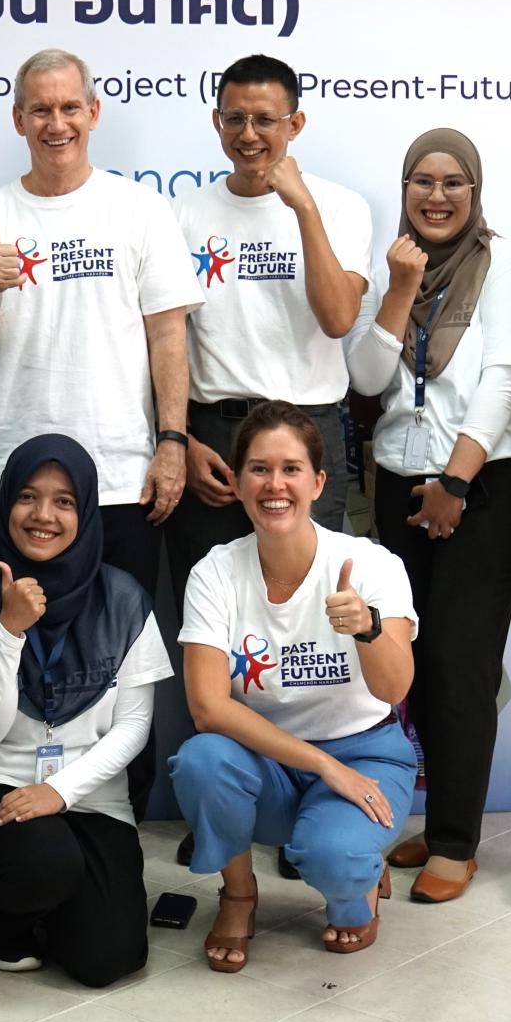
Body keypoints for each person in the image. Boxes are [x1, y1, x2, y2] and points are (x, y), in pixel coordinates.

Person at [346, 128, 511, 902]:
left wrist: (455, 486)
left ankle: (459, 841)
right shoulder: (394, 268)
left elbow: (505, 380)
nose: (436, 195)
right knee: (414, 665)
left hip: (483, 485)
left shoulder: (509, 265)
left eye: (453, 182)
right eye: (421, 181)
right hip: (400, 481)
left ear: (475, 191)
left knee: (461, 662)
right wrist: (396, 292)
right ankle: (440, 818)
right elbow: (364, 376)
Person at [0, 48, 203, 601]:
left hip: (121, 476)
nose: (56, 124)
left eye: (69, 108)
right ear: (18, 120)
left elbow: (168, 337)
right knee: (15, 641)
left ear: (93, 112)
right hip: (14, 479)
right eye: (40, 111)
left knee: (124, 647)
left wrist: (172, 442)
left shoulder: (141, 208)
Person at [169, 401, 417, 971]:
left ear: (319, 482)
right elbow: (208, 707)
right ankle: (238, 894)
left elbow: (395, 689)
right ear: (235, 481)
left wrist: (368, 626)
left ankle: (354, 885)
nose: (274, 484)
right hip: (269, 762)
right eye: (258, 469)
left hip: (365, 751)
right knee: (203, 760)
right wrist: (320, 765)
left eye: (290, 469)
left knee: (332, 854)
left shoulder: (369, 563)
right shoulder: (215, 571)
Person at [0, 435, 172, 988]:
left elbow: (135, 726)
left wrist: (61, 792)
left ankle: (53, 904)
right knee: (45, 862)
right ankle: (6, 920)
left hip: (92, 798)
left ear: (87, 510)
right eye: (27, 496)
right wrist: (8, 630)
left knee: (108, 959)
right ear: (5, 505)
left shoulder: (124, 600)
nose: (43, 515)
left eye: (64, 501)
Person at [166, 54, 372, 618]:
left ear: (295, 124)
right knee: (210, 610)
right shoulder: (182, 214)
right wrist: (181, 440)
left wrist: (302, 206)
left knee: (313, 607)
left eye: (265, 120)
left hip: (309, 429)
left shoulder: (339, 205)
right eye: (235, 119)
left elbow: (337, 318)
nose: (249, 135)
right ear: (216, 122)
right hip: (214, 437)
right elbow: (165, 345)